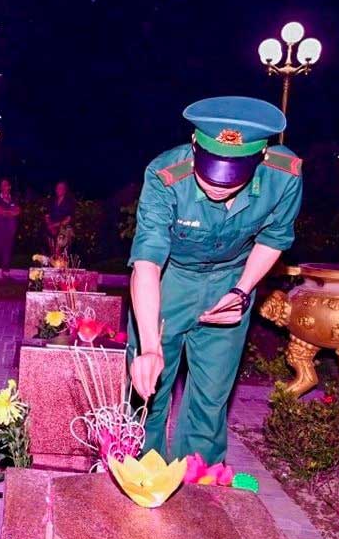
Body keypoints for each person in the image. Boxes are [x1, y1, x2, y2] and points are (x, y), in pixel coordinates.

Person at [129, 96, 302, 465]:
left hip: (232, 278)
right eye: (208, 171)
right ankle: (143, 472)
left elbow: (274, 240)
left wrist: (241, 292)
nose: (218, 185)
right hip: (170, 278)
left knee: (212, 393)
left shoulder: (283, 176)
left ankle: (201, 482)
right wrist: (147, 346)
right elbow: (146, 262)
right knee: (148, 390)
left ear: (260, 159)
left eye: (234, 175)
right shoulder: (165, 174)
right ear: (195, 148)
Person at [0, 178, 21, 278]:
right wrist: (11, 212)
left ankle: (5, 271)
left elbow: (18, 211)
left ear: (9, 187)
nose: (4, 186)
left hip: (10, 230)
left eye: (5, 184)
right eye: (2, 185)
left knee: (7, 250)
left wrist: (7, 212)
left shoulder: (14, 199)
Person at [44, 180, 75, 256]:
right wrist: (50, 226)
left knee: (60, 248)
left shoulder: (70, 202)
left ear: (65, 190)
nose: (59, 190)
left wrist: (55, 226)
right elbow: (46, 215)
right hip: (50, 228)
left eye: (61, 188)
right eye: (57, 188)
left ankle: (61, 263)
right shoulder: (51, 200)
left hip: (64, 228)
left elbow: (68, 218)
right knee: (48, 246)